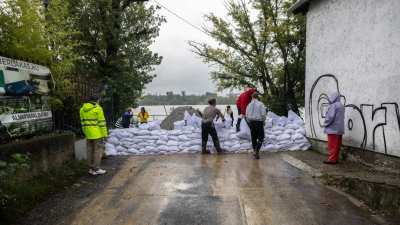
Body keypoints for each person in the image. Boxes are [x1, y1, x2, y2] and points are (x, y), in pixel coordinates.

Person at [80, 94, 107, 175]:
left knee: (90, 151)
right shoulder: (98, 108)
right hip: (97, 134)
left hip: (88, 134)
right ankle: (96, 169)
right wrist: (105, 134)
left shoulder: (82, 109)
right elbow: (102, 123)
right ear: (97, 101)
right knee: (97, 152)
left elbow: (83, 123)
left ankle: (91, 169)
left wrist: (85, 132)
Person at [322, 92, 345, 164]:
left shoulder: (333, 105)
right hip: (339, 128)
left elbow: (331, 117)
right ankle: (336, 158)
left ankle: (332, 159)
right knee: (337, 145)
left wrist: (325, 123)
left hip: (333, 128)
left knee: (332, 145)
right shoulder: (341, 105)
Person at [246, 92, 266, 159]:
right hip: (259, 122)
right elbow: (263, 114)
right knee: (261, 136)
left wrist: (249, 121)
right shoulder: (261, 104)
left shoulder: (249, 105)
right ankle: (257, 149)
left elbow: (247, 115)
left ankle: (255, 151)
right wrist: (263, 120)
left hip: (252, 122)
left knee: (253, 137)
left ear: (252, 97)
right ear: (258, 97)